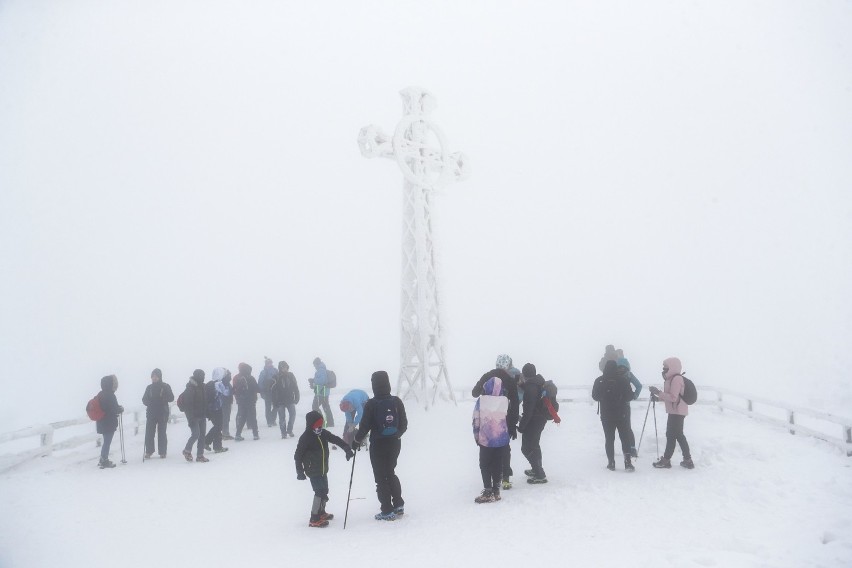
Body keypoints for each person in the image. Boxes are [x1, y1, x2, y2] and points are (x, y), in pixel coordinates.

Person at [354, 371, 408, 521]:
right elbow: (404, 424)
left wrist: (356, 441)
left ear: (374, 385)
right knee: (390, 472)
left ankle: (386, 510)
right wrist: (396, 435)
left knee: (380, 477)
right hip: (395, 444)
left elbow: (364, 427)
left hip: (378, 444)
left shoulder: (371, 404)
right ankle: (398, 505)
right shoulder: (397, 401)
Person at [294, 410, 354, 528]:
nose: (319, 427)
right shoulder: (306, 437)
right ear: (311, 424)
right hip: (313, 470)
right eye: (317, 424)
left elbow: (335, 439)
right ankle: (314, 518)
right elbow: (298, 455)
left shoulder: (322, 433)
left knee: (325, 490)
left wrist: (346, 448)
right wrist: (299, 471)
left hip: (322, 468)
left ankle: (321, 512)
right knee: (319, 492)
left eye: (321, 424)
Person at [473, 357, 519, 490]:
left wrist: (485, 393)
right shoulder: (510, 380)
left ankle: (491, 482)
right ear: (508, 365)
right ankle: (504, 478)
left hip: (487, 420)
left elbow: (474, 393)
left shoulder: (487, 376)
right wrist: (513, 424)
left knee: (487, 453)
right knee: (504, 449)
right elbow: (515, 404)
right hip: (504, 419)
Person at [472, 375, 513, 503]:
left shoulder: (482, 400)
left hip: (486, 439)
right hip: (501, 439)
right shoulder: (506, 400)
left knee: (484, 464)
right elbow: (509, 419)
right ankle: (496, 491)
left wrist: (476, 436)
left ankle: (488, 491)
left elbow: (476, 419)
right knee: (497, 464)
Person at [649, 357, 694, 469]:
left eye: (666, 367)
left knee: (672, 435)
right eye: (664, 367)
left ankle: (667, 460)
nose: (664, 369)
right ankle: (687, 460)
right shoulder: (670, 379)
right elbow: (670, 397)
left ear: (673, 367)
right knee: (678, 435)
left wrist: (658, 392)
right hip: (675, 411)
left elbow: (673, 398)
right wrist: (658, 398)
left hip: (677, 411)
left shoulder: (677, 379)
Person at [592, 360, 636, 471]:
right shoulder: (623, 380)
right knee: (624, 438)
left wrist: (604, 397)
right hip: (622, 414)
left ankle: (611, 462)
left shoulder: (599, 380)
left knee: (609, 438)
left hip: (606, 415)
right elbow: (630, 396)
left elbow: (595, 396)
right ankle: (627, 462)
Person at [518, 363, 549, 484]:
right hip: (540, 419)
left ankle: (539, 474)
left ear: (525, 374)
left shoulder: (531, 388)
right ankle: (536, 469)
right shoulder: (537, 383)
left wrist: (521, 427)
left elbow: (528, 411)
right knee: (535, 445)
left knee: (526, 448)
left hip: (534, 421)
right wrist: (523, 385)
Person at [142, 368, 174, 459]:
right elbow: (144, 399)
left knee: (162, 433)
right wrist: (148, 402)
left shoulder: (165, 386)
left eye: (156, 376)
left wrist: (164, 398)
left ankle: (162, 452)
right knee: (149, 432)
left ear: (160, 377)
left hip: (162, 412)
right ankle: (149, 451)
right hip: (151, 413)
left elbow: (171, 397)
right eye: (153, 376)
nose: (154, 378)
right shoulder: (149, 388)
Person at [95, 375, 124, 469]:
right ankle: (104, 460)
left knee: (106, 441)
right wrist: (120, 409)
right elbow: (114, 409)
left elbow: (107, 407)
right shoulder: (111, 395)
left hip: (101, 422)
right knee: (107, 442)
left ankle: (103, 459)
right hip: (108, 423)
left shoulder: (101, 394)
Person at [181, 369, 209, 463]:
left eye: (204, 375)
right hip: (194, 416)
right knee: (196, 434)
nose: (203, 377)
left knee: (202, 436)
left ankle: (200, 456)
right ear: (197, 376)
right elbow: (188, 405)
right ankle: (187, 451)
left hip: (202, 415)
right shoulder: (190, 388)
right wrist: (191, 418)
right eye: (202, 375)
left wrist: (207, 412)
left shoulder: (203, 387)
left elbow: (205, 401)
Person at [616, 357, 642, 457]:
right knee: (627, 427)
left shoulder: (614, 374)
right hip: (626, 404)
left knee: (614, 427)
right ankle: (632, 448)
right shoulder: (629, 374)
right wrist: (634, 396)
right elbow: (639, 385)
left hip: (614, 404)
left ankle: (616, 449)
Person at [203, 368, 230, 454]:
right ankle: (206, 441)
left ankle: (217, 446)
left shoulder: (209, 384)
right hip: (217, 408)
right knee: (218, 426)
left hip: (210, 408)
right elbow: (226, 393)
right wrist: (226, 383)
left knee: (217, 426)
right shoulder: (219, 384)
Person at [233, 362, 260, 441]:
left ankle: (238, 434)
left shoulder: (237, 378)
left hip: (241, 401)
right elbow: (257, 389)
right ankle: (255, 434)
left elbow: (234, 390)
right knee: (253, 417)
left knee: (242, 418)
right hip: (251, 401)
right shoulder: (251, 378)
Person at [275, 361, 300, 438]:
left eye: (285, 367)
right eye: (283, 367)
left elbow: (295, 387)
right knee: (282, 418)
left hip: (290, 399)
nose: (284, 369)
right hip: (280, 400)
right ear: (280, 368)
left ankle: (289, 430)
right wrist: (274, 401)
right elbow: (273, 390)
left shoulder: (291, 375)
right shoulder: (276, 376)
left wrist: (297, 397)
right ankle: (283, 433)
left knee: (293, 414)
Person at [310, 357, 335, 427]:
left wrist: (313, 381)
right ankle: (330, 422)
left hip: (321, 392)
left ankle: (322, 422)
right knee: (326, 407)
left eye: (314, 365)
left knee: (315, 407)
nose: (314, 366)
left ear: (316, 364)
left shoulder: (321, 370)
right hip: (324, 392)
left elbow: (322, 381)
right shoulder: (322, 369)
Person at [258, 357, 278, 428]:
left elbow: (279, 380)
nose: (270, 364)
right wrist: (262, 392)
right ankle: (269, 421)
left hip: (275, 392)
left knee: (276, 406)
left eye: (270, 363)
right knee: (268, 407)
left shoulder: (276, 370)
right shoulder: (263, 372)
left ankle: (273, 419)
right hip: (267, 392)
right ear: (266, 364)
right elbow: (260, 382)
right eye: (268, 363)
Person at [221, 370, 235, 440]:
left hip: (227, 403)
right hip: (224, 404)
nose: (230, 377)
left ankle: (225, 433)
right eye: (229, 375)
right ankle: (225, 434)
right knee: (225, 419)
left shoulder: (227, 383)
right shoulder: (223, 384)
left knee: (226, 419)